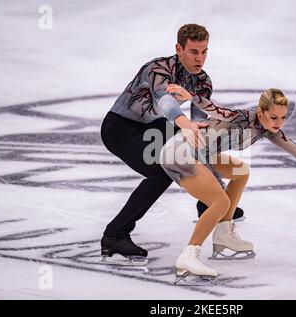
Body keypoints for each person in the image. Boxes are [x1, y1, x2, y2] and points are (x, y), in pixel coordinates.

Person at [160, 85, 296, 281]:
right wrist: (191, 96)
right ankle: (189, 255)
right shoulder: (243, 117)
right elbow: (215, 109)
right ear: (261, 112)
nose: (279, 122)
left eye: (283, 117)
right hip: (180, 152)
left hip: (202, 154)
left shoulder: (268, 131)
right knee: (219, 202)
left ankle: (223, 233)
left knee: (241, 171)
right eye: (274, 117)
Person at [99, 24, 242, 263]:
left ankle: (208, 203)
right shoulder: (157, 69)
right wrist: (184, 123)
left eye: (204, 51)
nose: (200, 58)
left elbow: (199, 124)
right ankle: (115, 234)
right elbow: (165, 100)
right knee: (162, 172)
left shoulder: (202, 81)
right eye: (194, 51)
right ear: (179, 48)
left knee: (194, 148)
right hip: (120, 127)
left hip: (153, 125)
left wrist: (201, 132)